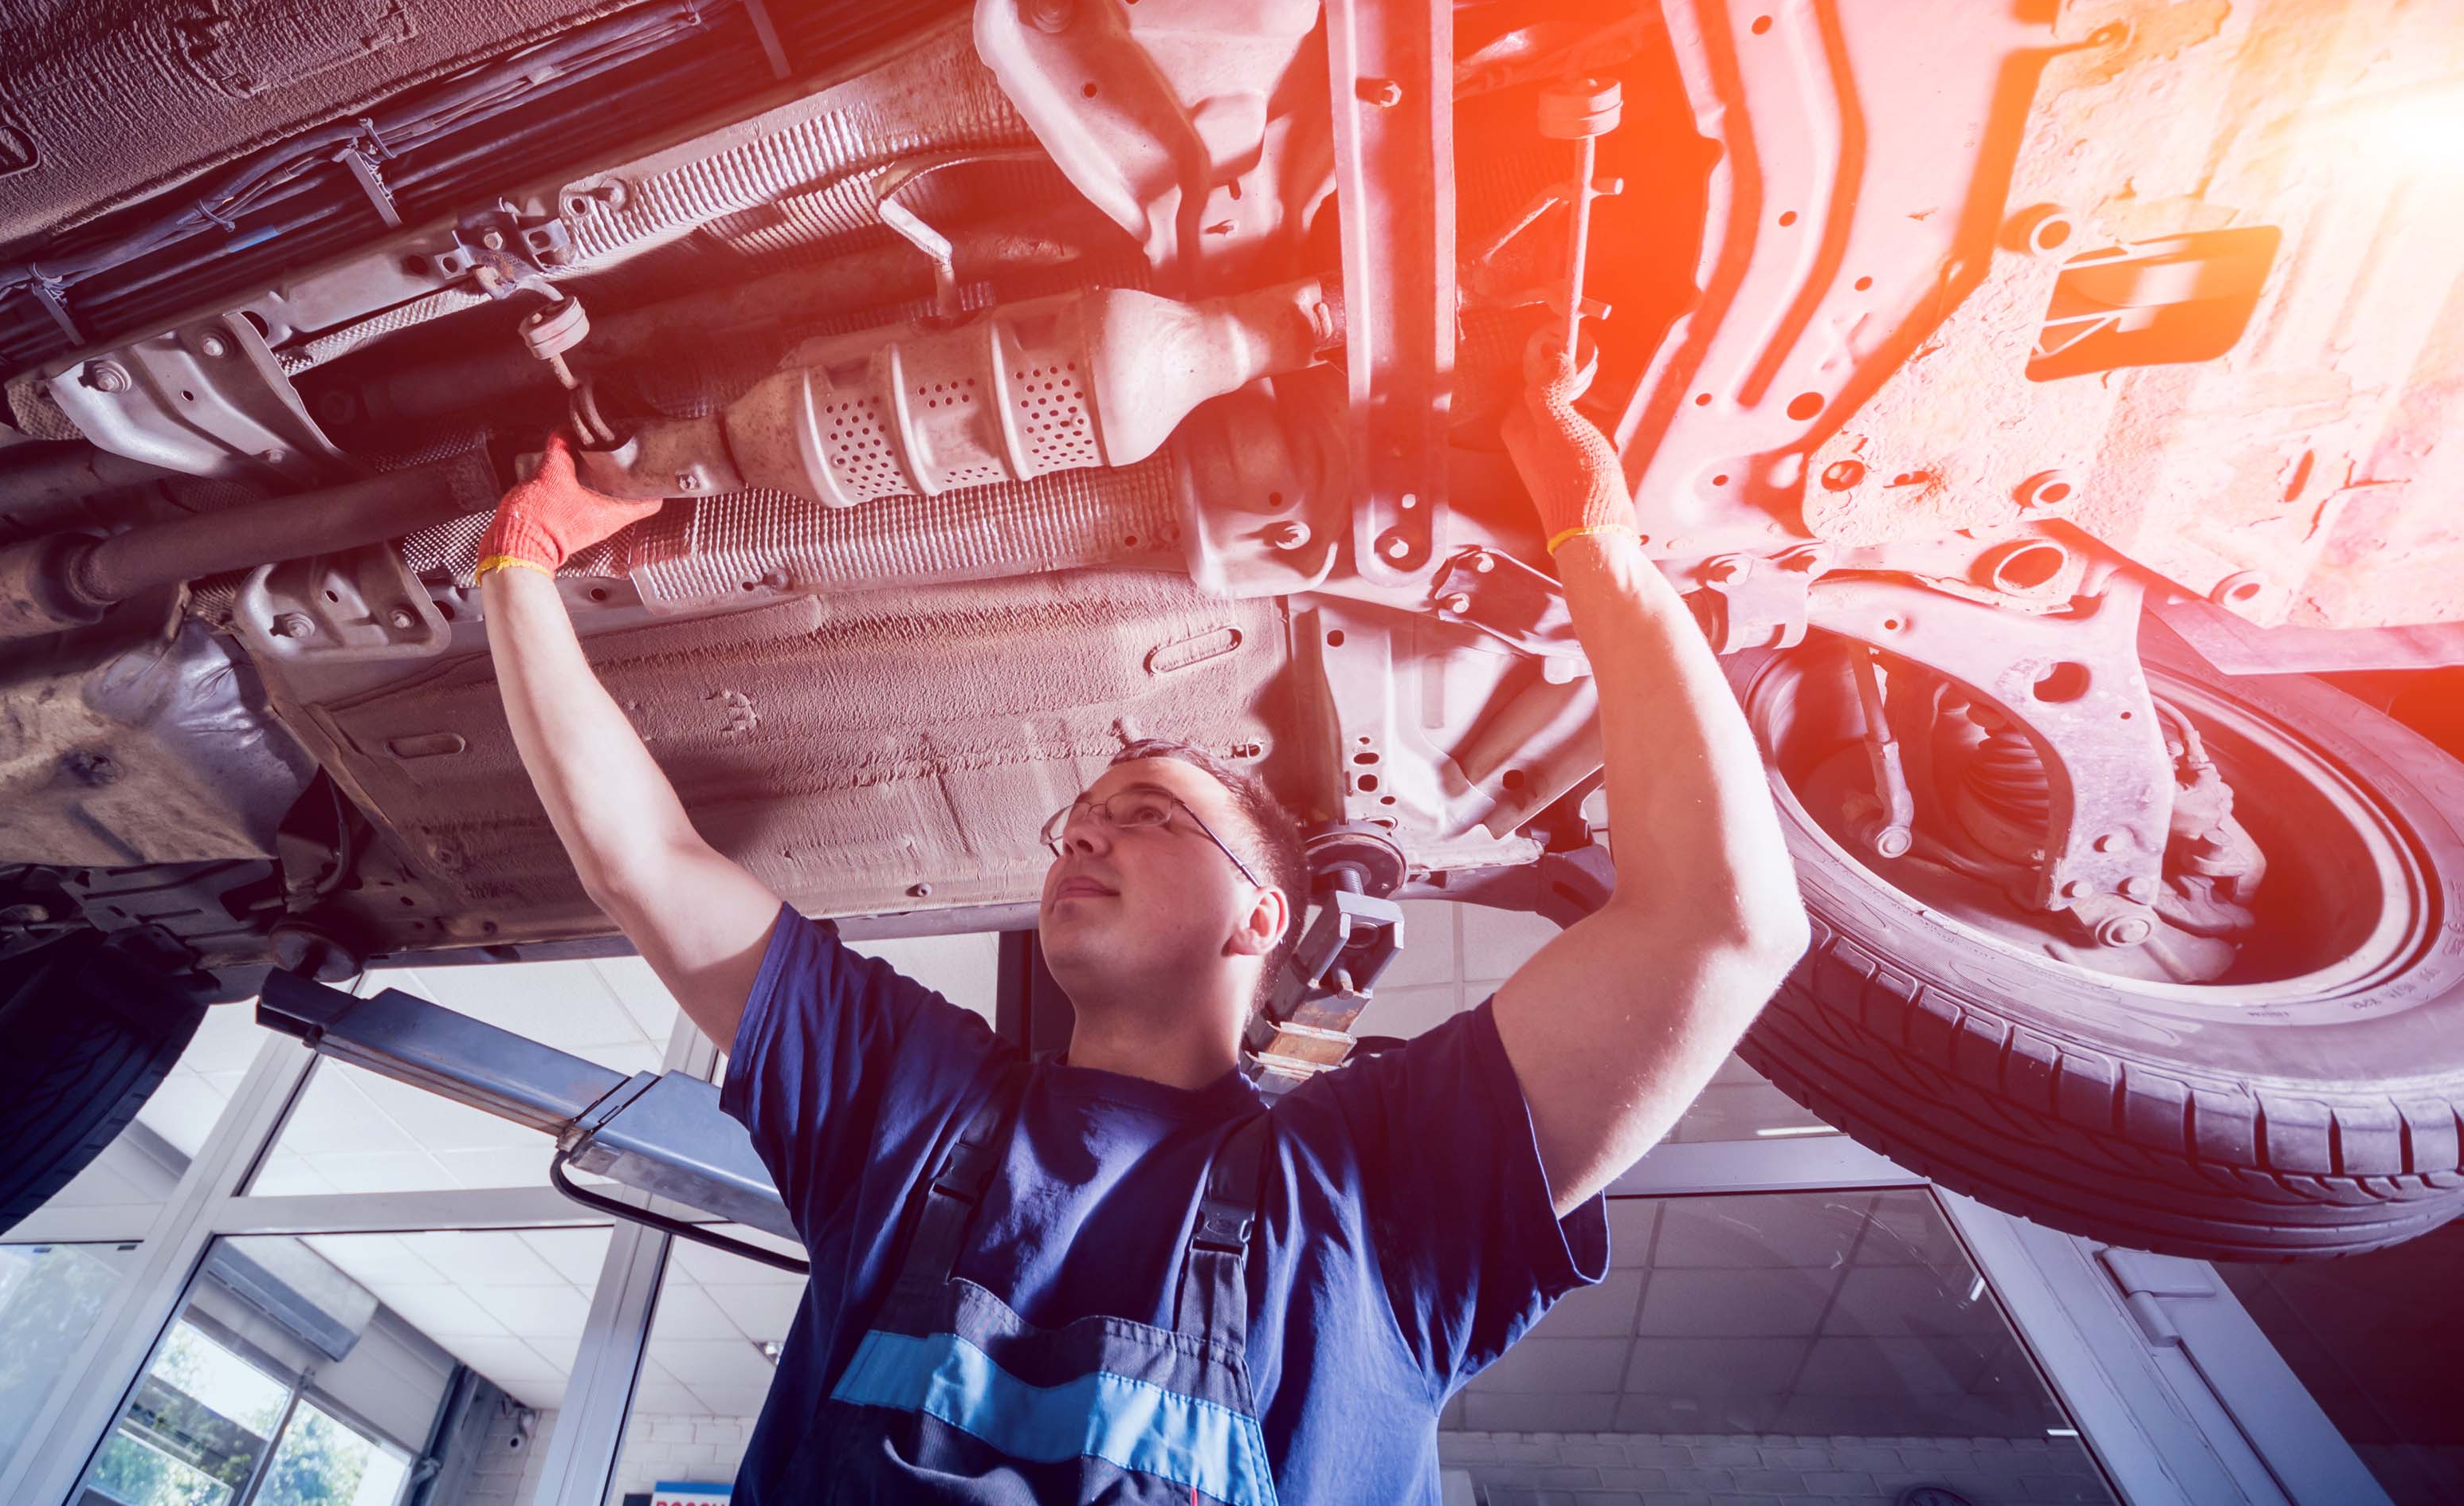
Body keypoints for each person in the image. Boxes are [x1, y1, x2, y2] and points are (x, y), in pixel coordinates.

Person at [473, 329, 1809, 1501]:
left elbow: (1719, 926)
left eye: (1152, 816)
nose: (1089, 829)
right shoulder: (911, 1103)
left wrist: (1604, 552)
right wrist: (520, 568)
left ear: (1260, 920)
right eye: (1085, 818)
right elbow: (643, 861)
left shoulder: (1382, 1192)